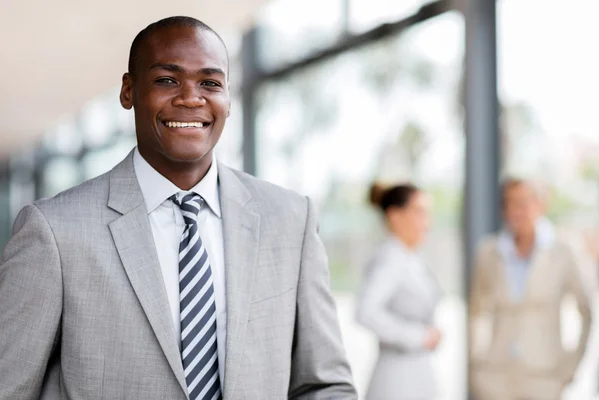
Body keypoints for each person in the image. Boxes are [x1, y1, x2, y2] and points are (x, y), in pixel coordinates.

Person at [0, 16, 357, 400]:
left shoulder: (290, 220)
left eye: (210, 83)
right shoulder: (54, 232)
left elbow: (325, 384)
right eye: (167, 80)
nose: (191, 97)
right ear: (128, 91)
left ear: (229, 98)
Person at [470, 178, 594, 400]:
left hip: (545, 377)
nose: (515, 211)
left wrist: (570, 366)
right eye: (508, 203)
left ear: (542, 204)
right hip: (496, 376)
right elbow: (477, 312)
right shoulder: (488, 252)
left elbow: (587, 311)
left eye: (523, 203)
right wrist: (477, 363)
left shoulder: (564, 251)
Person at [357, 183, 442, 400]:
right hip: (396, 379)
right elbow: (365, 312)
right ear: (395, 216)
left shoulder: (411, 257)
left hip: (416, 372)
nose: (427, 223)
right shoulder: (390, 258)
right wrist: (418, 336)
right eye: (419, 213)